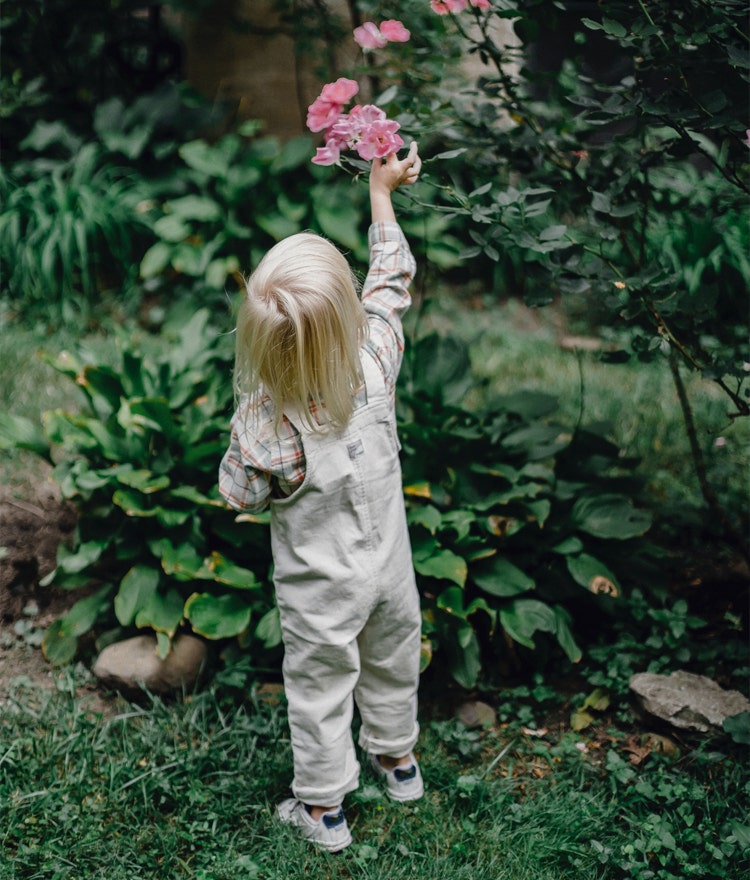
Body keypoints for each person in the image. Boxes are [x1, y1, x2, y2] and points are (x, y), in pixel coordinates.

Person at [218, 142, 424, 853]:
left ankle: (323, 810)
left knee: (320, 687)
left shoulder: (265, 423)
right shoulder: (374, 361)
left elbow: (236, 494)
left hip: (321, 592)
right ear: (346, 320)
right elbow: (391, 283)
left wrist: (252, 404)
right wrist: (380, 194)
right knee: (395, 657)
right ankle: (399, 761)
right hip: (391, 574)